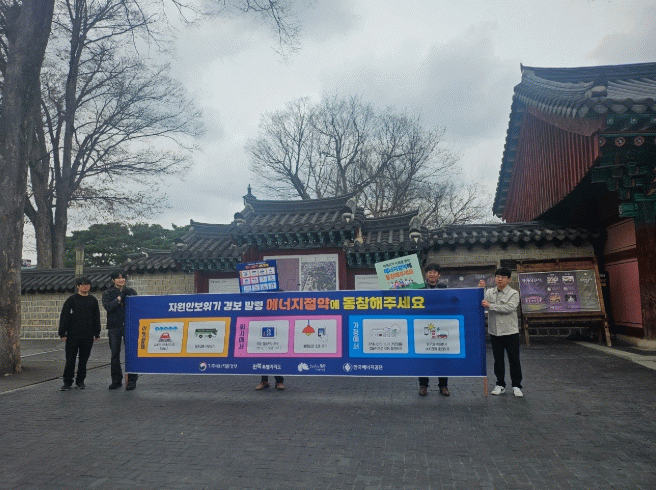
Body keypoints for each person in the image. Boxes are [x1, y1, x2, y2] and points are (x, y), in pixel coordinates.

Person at [479, 267, 523, 397]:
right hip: (495, 332)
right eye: (498, 276)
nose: (500, 279)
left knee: (514, 359)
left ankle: (516, 385)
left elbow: (509, 308)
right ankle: (500, 384)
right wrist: (481, 289)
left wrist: (491, 306)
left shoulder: (514, 293)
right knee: (498, 360)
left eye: (503, 277)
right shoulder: (490, 292)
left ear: (508, 279)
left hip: (510, 332)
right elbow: (481, 300)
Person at [59, 276, 101, 390]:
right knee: (70, 359)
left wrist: (97, 332)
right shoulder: (71, 300)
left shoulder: (93, 300)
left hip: (88, 334)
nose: (85, 286)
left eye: (87, 284)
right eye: (83, 284)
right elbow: (65, 316)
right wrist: (62, 332)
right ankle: (67, 381)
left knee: (84, 359)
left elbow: (96, 317)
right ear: (78, 286)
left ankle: (80, 381)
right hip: (73, 334)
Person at [102, 270, 138, 390]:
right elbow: (108, 307)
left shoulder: (131, 291)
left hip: (129, 326)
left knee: (131, 353)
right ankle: (116, 380)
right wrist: (120, 297)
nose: (121, 280)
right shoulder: (108, 292)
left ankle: (132, 380)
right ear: (113, 280)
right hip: (114, 327)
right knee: (115, 354)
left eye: (123, 278)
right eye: (118, 278)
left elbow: (137, 307)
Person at [418, 263, 450, 397]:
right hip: (422, 325)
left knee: (441, 356)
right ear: (426, 274)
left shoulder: (444, 287)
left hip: (439, 325)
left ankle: (443, 386)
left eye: (435, 272)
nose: (432, 274)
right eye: (429, 272)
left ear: (439, 275)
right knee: (422, 356)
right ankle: (423, 385)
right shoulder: (419, 288)